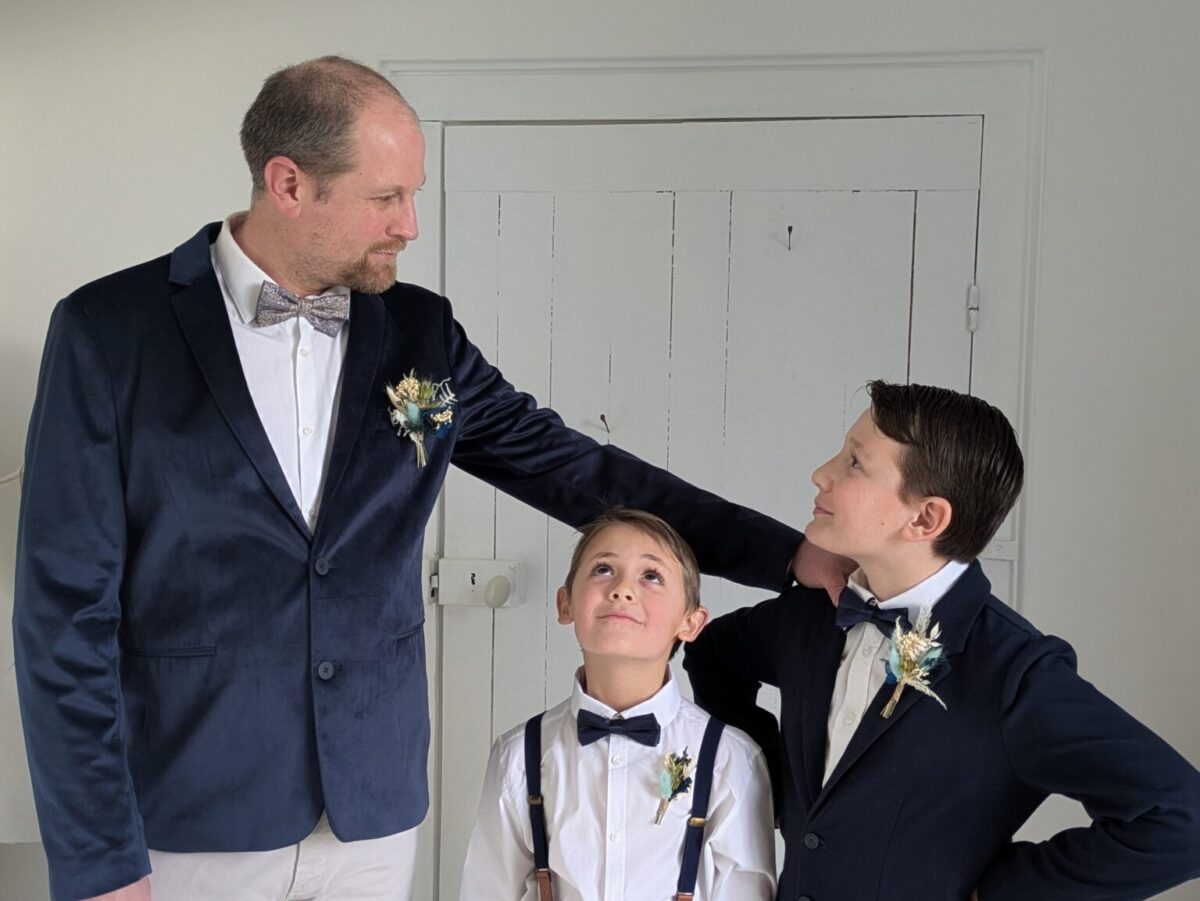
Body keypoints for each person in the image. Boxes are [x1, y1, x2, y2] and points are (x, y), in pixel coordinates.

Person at [12, 56, 847, 901]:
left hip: (372, 812)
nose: (410, 225)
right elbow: (63, 616)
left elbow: (576, 469)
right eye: (386, 198)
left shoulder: (420, 333)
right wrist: (98, 856)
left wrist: (787, 558)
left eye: (415, 194)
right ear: (288, 183)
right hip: (185, 816)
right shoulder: (108, 333)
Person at [684, 380, 1200, 901]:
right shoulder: (808, 616)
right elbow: (712, 655)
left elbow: (1183, 821)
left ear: (926, 517)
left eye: (855, 463)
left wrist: (994, 892)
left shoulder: (1014, 674)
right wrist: (768, 779)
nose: (822, 474)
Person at [460, 508, 775, 901]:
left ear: (691, 623)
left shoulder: (731, 759)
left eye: (651, 576)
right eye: (603, 569)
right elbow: (488, 890)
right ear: (566, 604)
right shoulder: (519, 755)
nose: (623, 589)